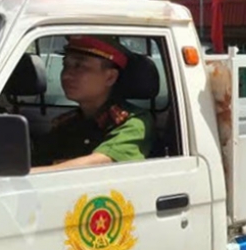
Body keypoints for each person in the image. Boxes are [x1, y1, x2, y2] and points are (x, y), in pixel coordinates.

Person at [31, 36, 154, 172]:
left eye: (79, 66)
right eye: (65, 66)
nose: (66, 75)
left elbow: (100, 163)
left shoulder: (134, 122)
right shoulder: (67, 124)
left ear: (110, 77)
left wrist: (31, 174)